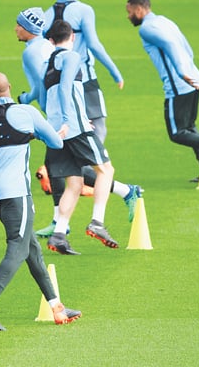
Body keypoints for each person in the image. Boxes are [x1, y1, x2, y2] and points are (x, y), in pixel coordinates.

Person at [0, 72, 81, 331]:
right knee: (18, 247)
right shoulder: (27, 113)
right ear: (9, 88)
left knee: (30, 247)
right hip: (17, 194)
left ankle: (57, 307)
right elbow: (56, 142)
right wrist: (42, 134)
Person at [40, 20, 121, 255]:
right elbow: (66, 88)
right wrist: (69, 120)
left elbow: (44, 97)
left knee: (74, 184)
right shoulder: (72, 56)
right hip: (74, 128)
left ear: (51, 41)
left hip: (55, 131)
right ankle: (97, 222)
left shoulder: (48, 64)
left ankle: (59, 235)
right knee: (106, 170)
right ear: (73, 37)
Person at [127, 0, 199, 181]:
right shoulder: (165, 21)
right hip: (194, 79)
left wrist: (181, 71)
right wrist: (189, 68)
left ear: (139, 9)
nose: (128, 16)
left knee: (178, 133)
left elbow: (170, 43)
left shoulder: (146, 29)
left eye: (129, 12)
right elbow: (186, 46)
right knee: (189, 127)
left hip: (180, 85)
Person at [44, 0, 124, 143]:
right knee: (98, 127)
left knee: (64, 130)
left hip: (55, 81)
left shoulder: (46, 15)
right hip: (84, 78)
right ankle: (94, 160)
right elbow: (94, 44)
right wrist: (115, 72)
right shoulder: (84, 10)